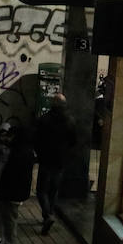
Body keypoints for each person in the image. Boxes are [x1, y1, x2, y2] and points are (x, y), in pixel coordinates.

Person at [34, 93, 77, 234]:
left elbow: (37, 139)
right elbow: (73, 141)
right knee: (53, 189)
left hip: (46, 160)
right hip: (60, 162)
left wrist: (39, 154)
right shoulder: (70, 121)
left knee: (41, 189)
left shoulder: (44, 120)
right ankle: (50, 213)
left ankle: (47, 215)